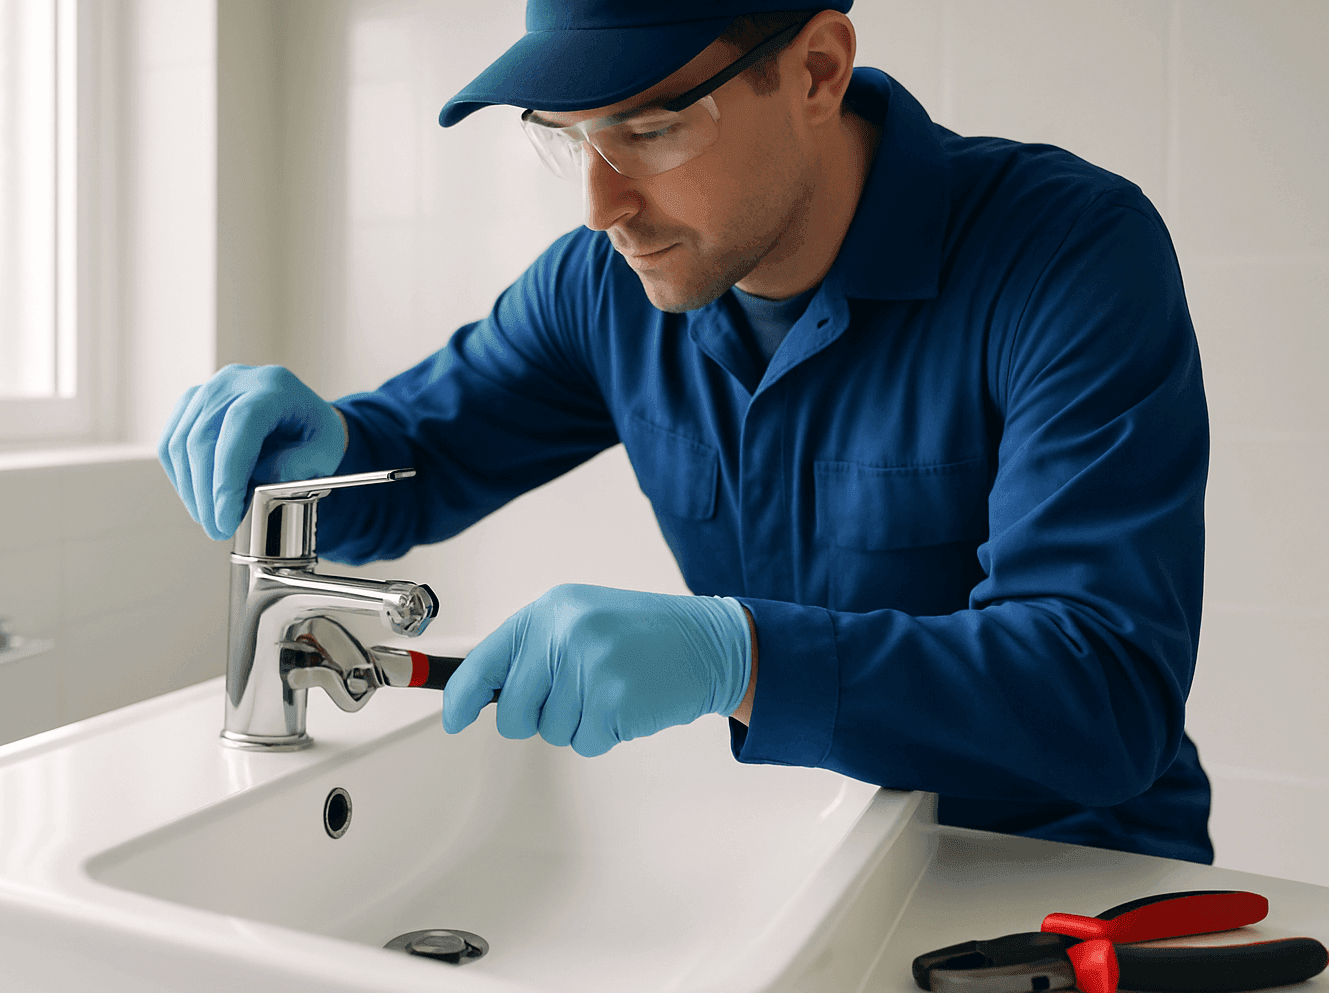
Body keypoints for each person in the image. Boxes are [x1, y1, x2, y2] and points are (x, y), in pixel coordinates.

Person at [161, 1, 1212, 863]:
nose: (600, 204)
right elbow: (421, 454)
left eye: (652, 129)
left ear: (815, 70)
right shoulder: (604, 287)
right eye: (571, 136)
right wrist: (320, 449)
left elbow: (1103, 691)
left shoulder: (1067, 258)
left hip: (1070, 881)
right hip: (820, 849)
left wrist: (740, 655)